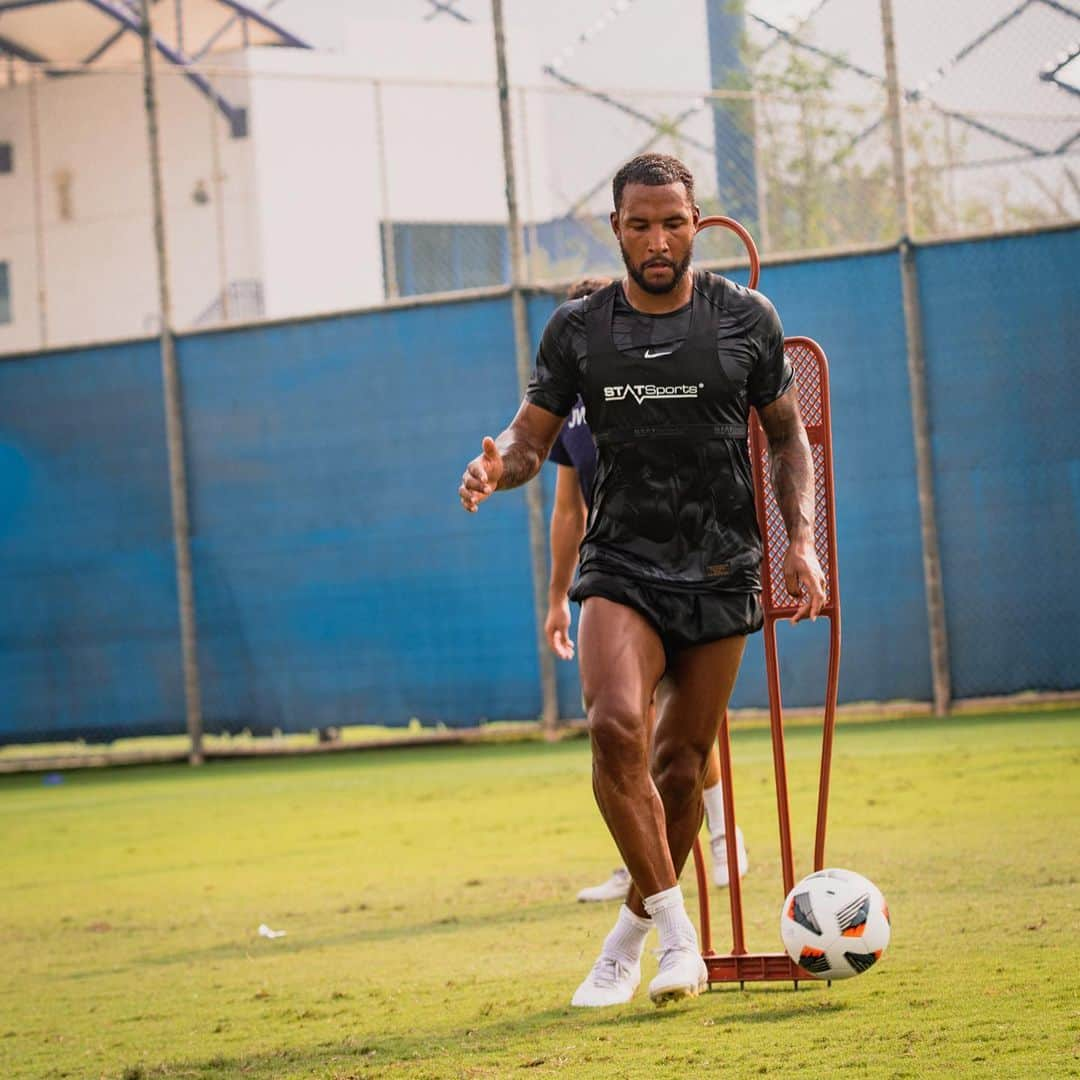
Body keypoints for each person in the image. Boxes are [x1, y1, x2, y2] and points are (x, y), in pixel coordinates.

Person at [458, 153, 824, 1008]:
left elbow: (786, 437)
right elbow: (530, 441)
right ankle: (682, 944)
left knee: (680, 769)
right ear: (616, 229)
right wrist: (495, 467)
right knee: (614, 726)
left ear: (696, 223)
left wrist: (799, 543)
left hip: (723, 567)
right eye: (639, 224)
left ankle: (626, 942)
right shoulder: (578, 330)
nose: (657, 240)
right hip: (622, 565)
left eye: (672, 222)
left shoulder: (746, 319)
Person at [545, 277, 748, 904]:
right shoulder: (570, 408)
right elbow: (567, 508)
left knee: (677, 732)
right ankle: (653, 864)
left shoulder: (669, 378)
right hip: (620, 572)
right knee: (625, 725)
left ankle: (722, 834)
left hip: (696, 566)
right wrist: (557, 597)